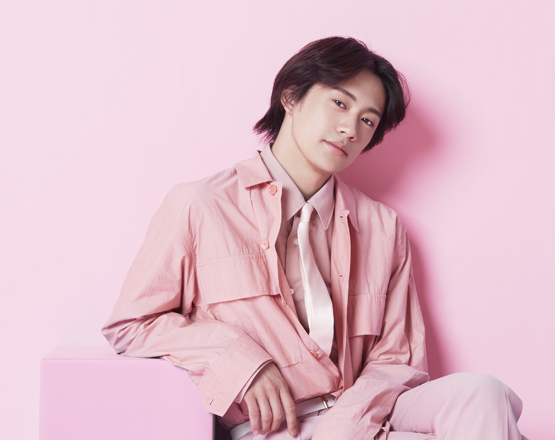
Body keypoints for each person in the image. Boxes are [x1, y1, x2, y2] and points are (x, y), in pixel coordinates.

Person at [102, 36, 527, 440]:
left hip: (365, 414)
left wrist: (345, 423)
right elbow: (132, 325)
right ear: (291, 97)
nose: (350, 129)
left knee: (483, 394)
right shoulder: (201, 205)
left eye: (367, 120)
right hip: (276, 427)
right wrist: (236, 358)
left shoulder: (382, 226)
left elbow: (397, 359)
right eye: (340, 103)